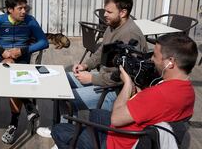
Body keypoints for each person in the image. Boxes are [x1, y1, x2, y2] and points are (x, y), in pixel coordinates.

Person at [51, 33, 197, 149]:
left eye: (155, 55)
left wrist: (127, 83)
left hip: (118, 143)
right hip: (141, 133)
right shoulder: (188, 92)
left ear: (170, 62)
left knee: (59, 130)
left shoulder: (158, 94)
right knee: (93, 114)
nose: (151, 59)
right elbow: (154, 109)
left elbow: (116, 118)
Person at [37, 0, 147, 138]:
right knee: (61, 80)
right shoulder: (112, 25)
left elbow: (124, 78)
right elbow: (102, 50)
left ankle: (65, 136)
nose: (105, 15)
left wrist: (91, 79)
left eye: (109, 11)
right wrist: (86, 65)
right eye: (105, 10)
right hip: (104, 78)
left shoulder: (130, 35)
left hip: (116, 91)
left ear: (123, 12)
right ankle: (61, 129)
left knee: (65, 96)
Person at [0, 0, 49, 144]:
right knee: (10, 67)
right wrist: (1, 50)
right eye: (20, 8)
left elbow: (44, 42)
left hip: (23, 62)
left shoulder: (30, 21)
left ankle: (14, 124)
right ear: (10, 9)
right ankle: (27, 106)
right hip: (2, 60)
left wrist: (22, 50)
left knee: (12, 71)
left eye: (25, 8)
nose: (24, 11)